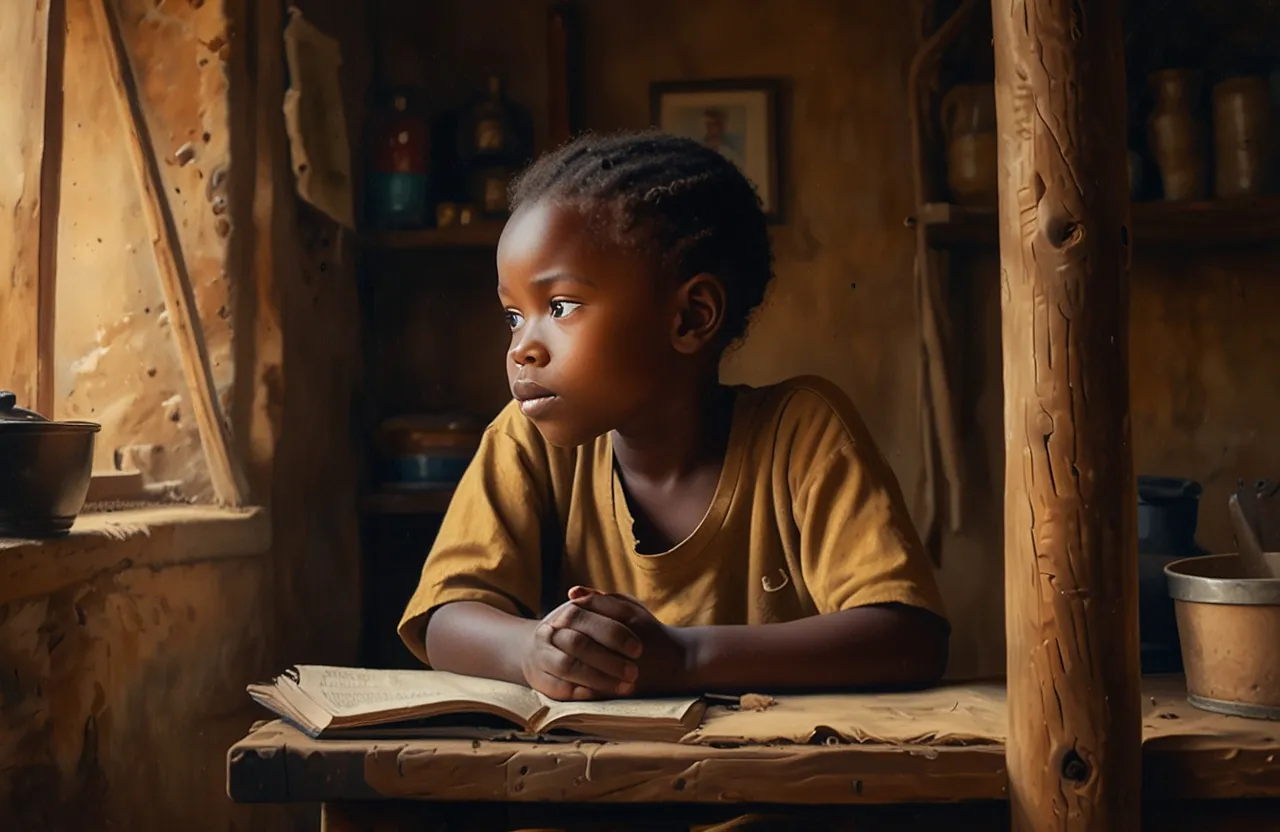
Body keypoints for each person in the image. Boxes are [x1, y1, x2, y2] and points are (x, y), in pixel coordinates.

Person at [397, 129, 949, 706]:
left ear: (690, 317)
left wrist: (686, 658)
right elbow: (444, 618)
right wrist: (533, 649)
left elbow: (908, 636)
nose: (521, 349)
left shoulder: (801, 433)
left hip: (776, 785)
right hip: (586, 787)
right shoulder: (527, 439)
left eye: (559, 307)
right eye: (514, 316)